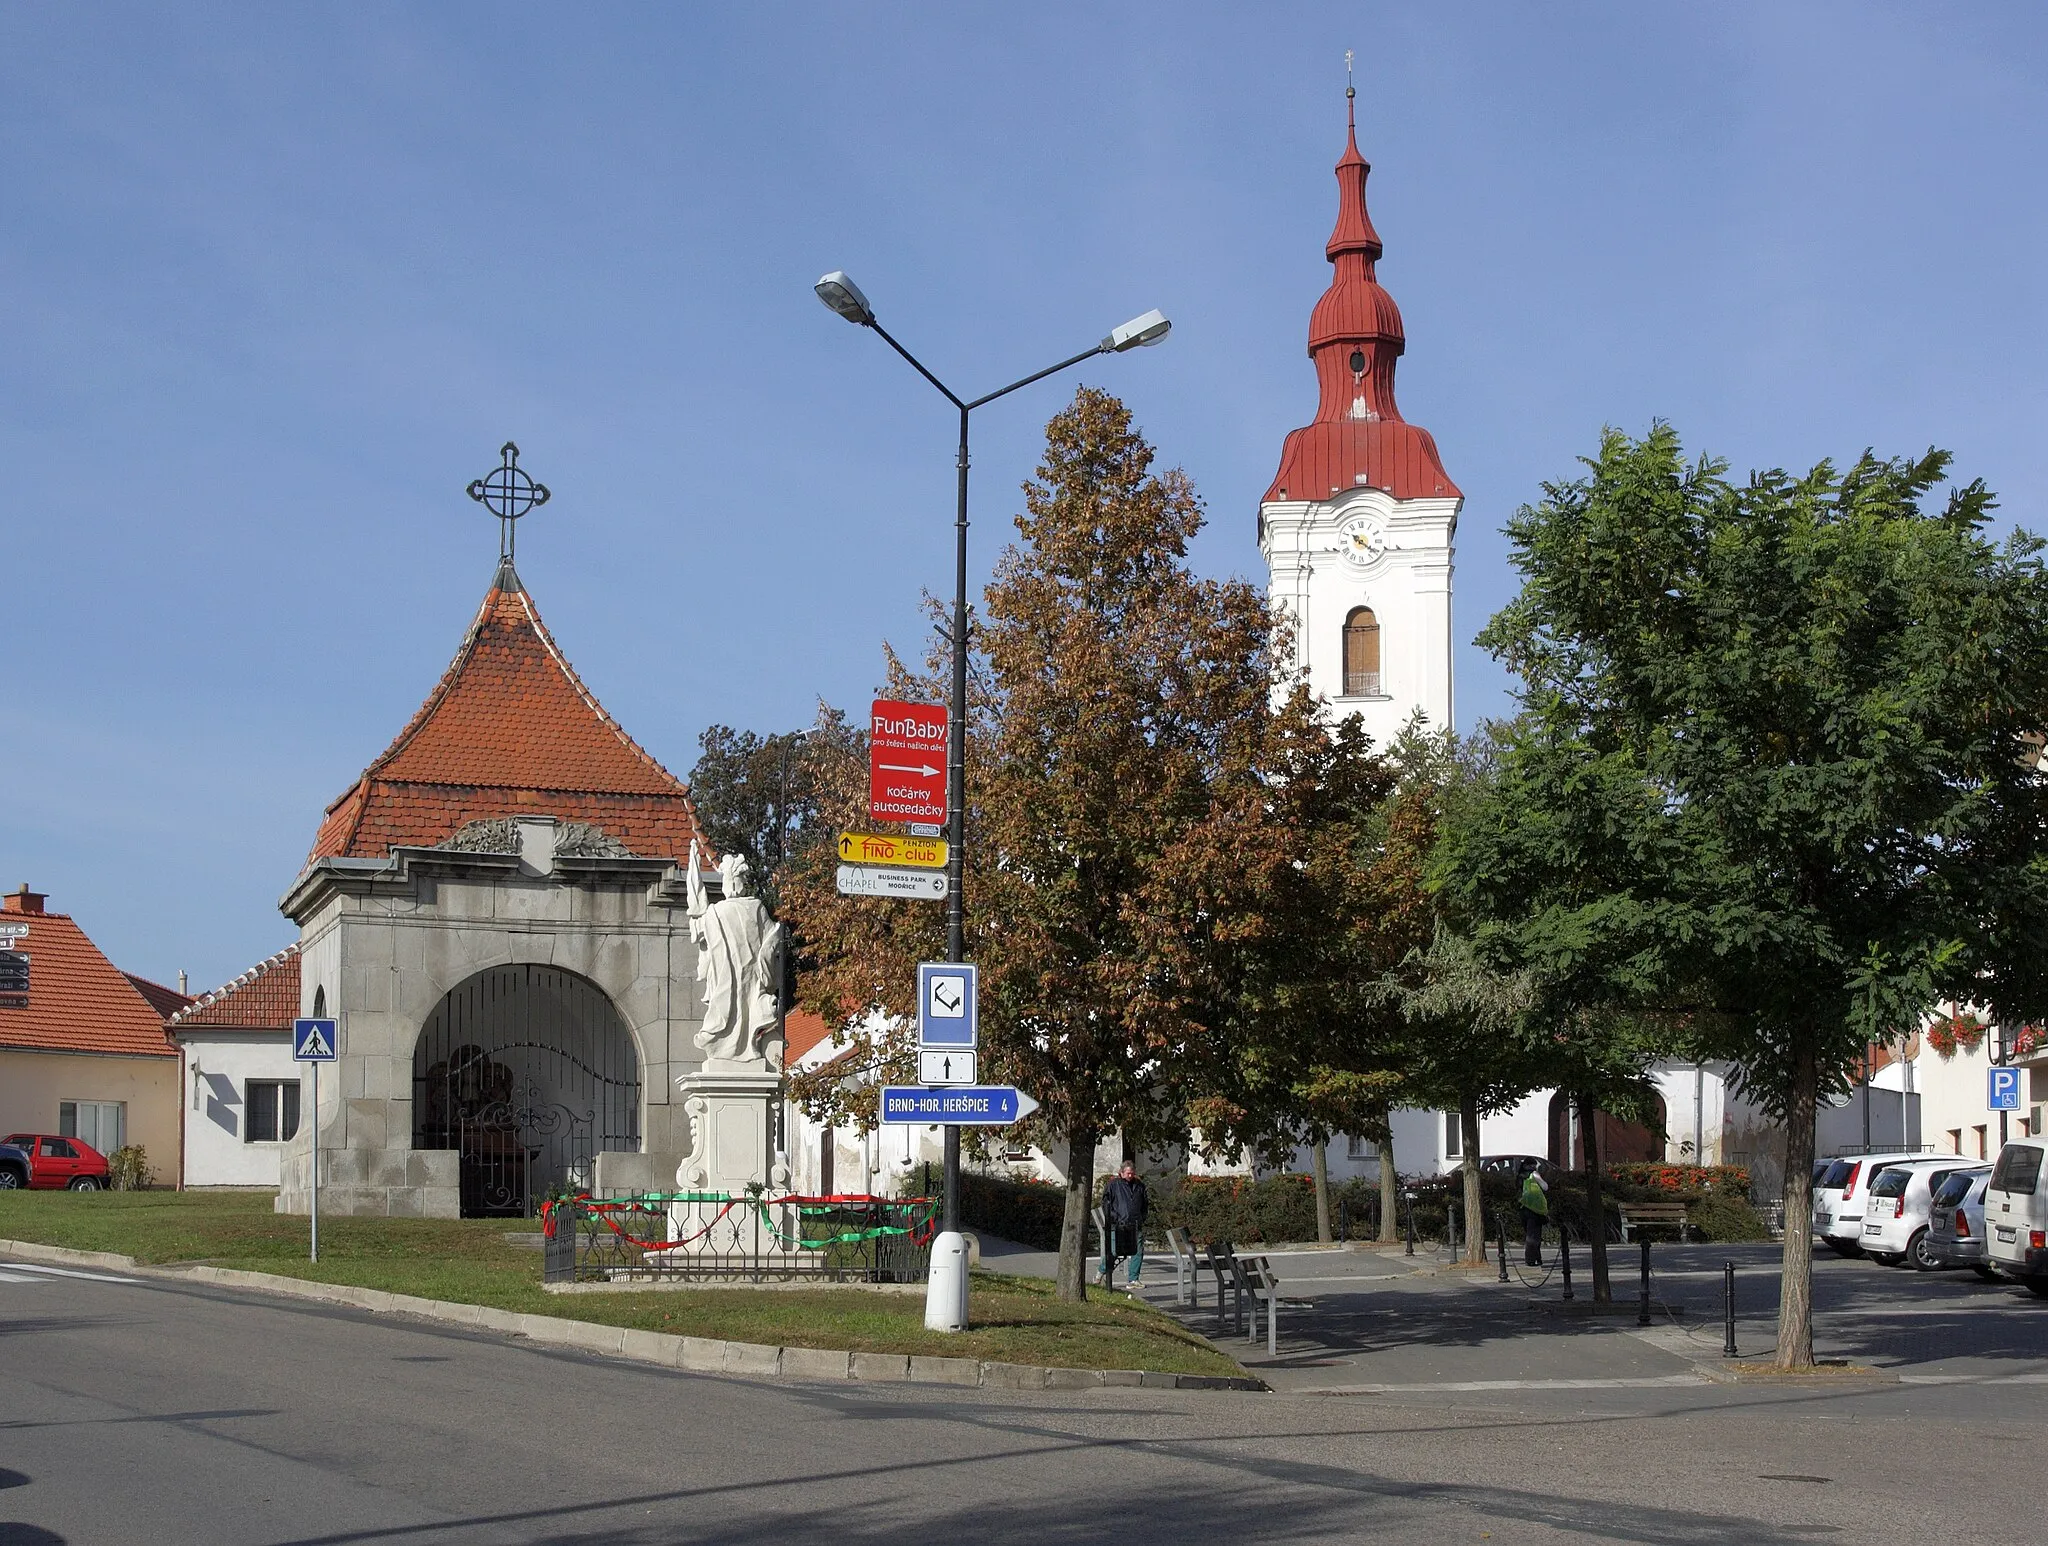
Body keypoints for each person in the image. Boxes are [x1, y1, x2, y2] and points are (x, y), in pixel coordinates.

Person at [1099, 1160, 1150, 1292]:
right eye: (1128, 1173)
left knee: (1138, 1251)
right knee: (1115, 1251)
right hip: (1119, 1224)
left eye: (1132, 1173)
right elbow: (1106, 1203)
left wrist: (1142, 1217)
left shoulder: (1139, 1186)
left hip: (1135, 1224)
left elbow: (1145, 1204)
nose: (1130, 1176)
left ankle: (1133, 1279)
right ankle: (1102, 1271)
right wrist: (1113, 1217)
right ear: (1121, 1173)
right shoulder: (1113, 1185)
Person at [1518, 1159, 1550, 1266]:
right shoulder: (1534, 1175)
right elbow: (1545, 1187)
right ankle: (1531, 1259)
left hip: (1523, 1208)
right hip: (1535, 1209)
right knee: (1534, 1236)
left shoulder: (1519, 1176)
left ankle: (1536, 1258)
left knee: (1529, 1234)